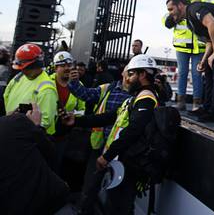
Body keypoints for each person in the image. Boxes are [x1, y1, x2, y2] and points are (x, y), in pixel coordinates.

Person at [64, 54, 160, 214]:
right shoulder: (136, 97)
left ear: (142, 75)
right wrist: (77, 121)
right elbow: (108, 117)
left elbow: (132, 131)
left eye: (131, 74)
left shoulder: (146, 99)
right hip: (118, 157)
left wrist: (107, 156)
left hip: (127, 162)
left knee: (118, 206)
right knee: (109, 200)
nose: (127, 78)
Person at [68, 61, 131, 215]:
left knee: (116, 191)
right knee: (90, 184)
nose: (130, 77)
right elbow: (85, 94)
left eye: (134, 73)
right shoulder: (107, 88)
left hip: (120, 150)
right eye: (129, 72)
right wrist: (74, 82)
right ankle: (84, 210)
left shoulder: (138, 96)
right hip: (100, 144)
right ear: (122, 73)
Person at [0, 103, 70, 215]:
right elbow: (51, 153)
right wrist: (36, 126)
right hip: (47, 201)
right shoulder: (16, 121)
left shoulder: (13, 122)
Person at [3, 43, 58, 135]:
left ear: (37, 64)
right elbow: (6, 96)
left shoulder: (47, 89)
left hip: (31, 138)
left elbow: (45, 122)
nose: (22, 70)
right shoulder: (19, 77)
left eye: (25, 68)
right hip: (12, 130)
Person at [49, 51, 86, 173]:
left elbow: (82, 110)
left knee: (56, 166)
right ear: (55, 68)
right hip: (44, 134)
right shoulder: (47, 82)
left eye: (69, 65)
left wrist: (72, 115)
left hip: (63, 135)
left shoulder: (78, 85)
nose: (66, 68)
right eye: (62, 65)